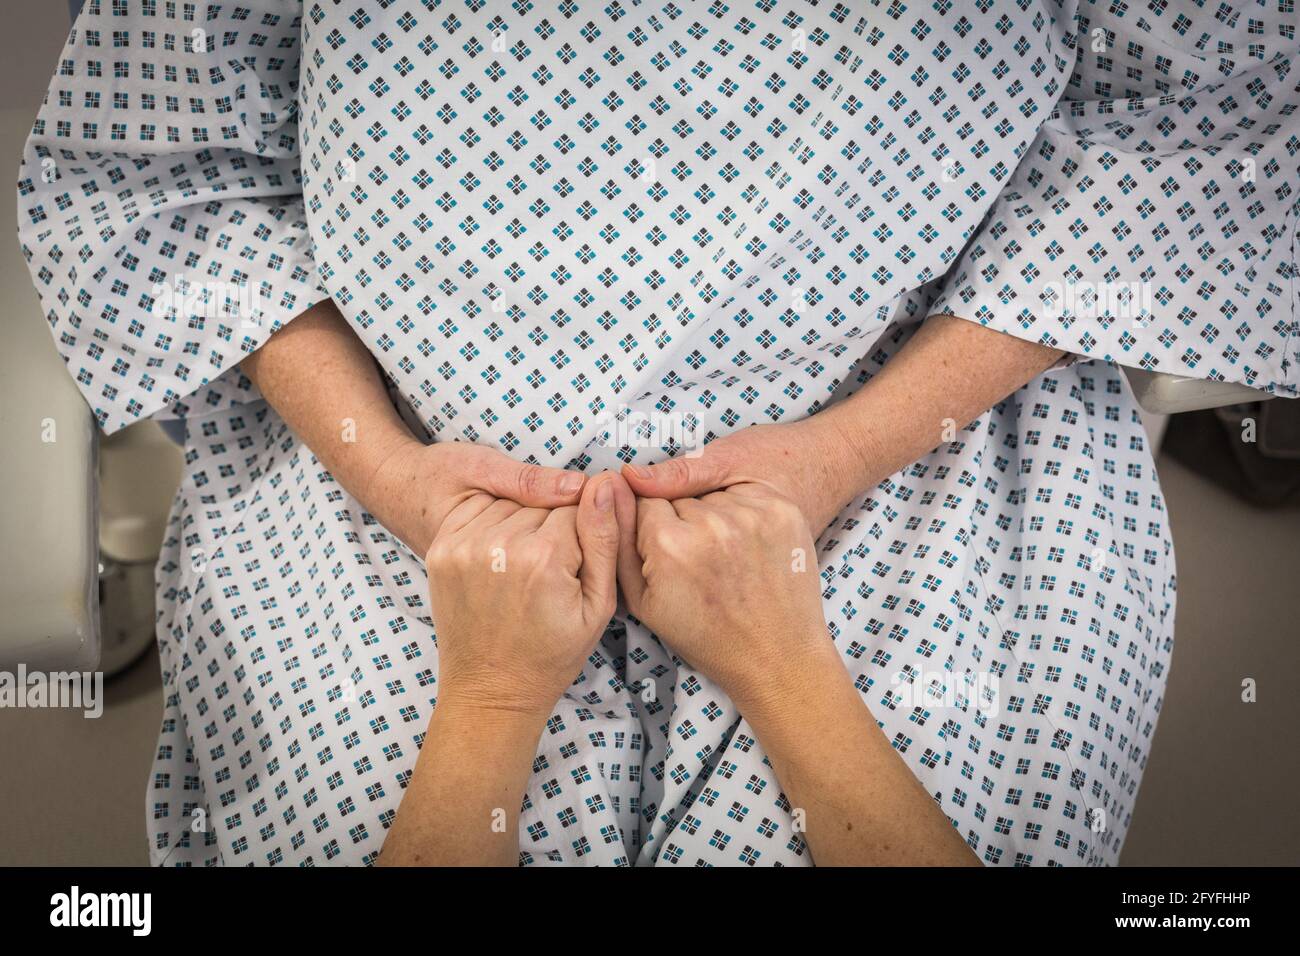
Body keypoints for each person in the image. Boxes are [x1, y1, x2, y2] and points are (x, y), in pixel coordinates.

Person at [17, 0, 1297, 866]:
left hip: (870, 444)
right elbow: (172, 164)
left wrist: (484, 692)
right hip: (440, 471)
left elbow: (1180, 143)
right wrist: (793, 674)